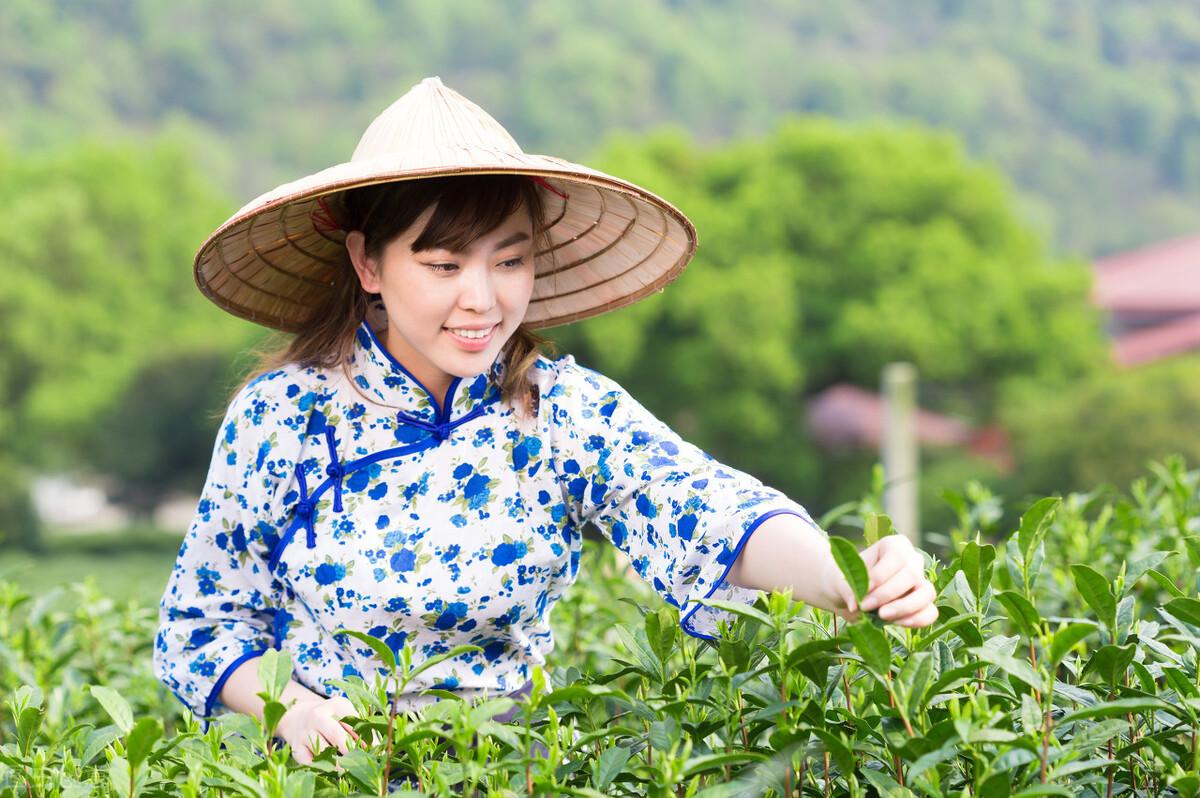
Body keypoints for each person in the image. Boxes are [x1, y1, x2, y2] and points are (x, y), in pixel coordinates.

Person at [153, 77, 937, 766]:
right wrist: (295, 710)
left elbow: (702, 508)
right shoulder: (286, 417)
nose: (483, 299)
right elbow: (203, 622)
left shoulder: (560, 410)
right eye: (443, 265)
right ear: (368, 264)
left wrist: (847, 576)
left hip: (514, 767)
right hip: (335, 770)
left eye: (509, 260)